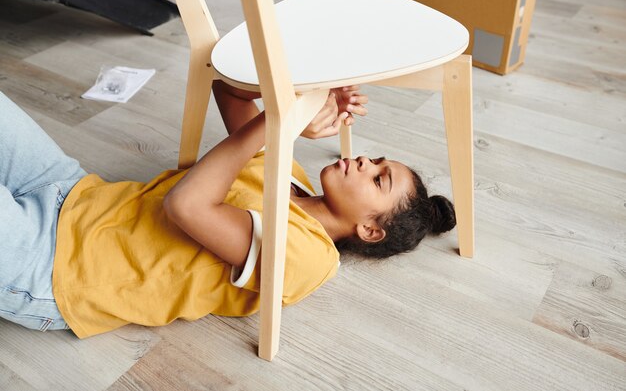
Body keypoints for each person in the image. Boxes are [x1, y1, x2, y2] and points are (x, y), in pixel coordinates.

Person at [0, 82, 455, 337]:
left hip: (52, 269)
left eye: (378, 178)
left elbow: (187, 206)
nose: (364, 161)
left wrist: (283, 119)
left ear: (370, 230)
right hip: (70, 191)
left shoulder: (307, 257)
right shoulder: (290, 175)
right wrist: (302, 94)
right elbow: (228, 91)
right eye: (377, 159)